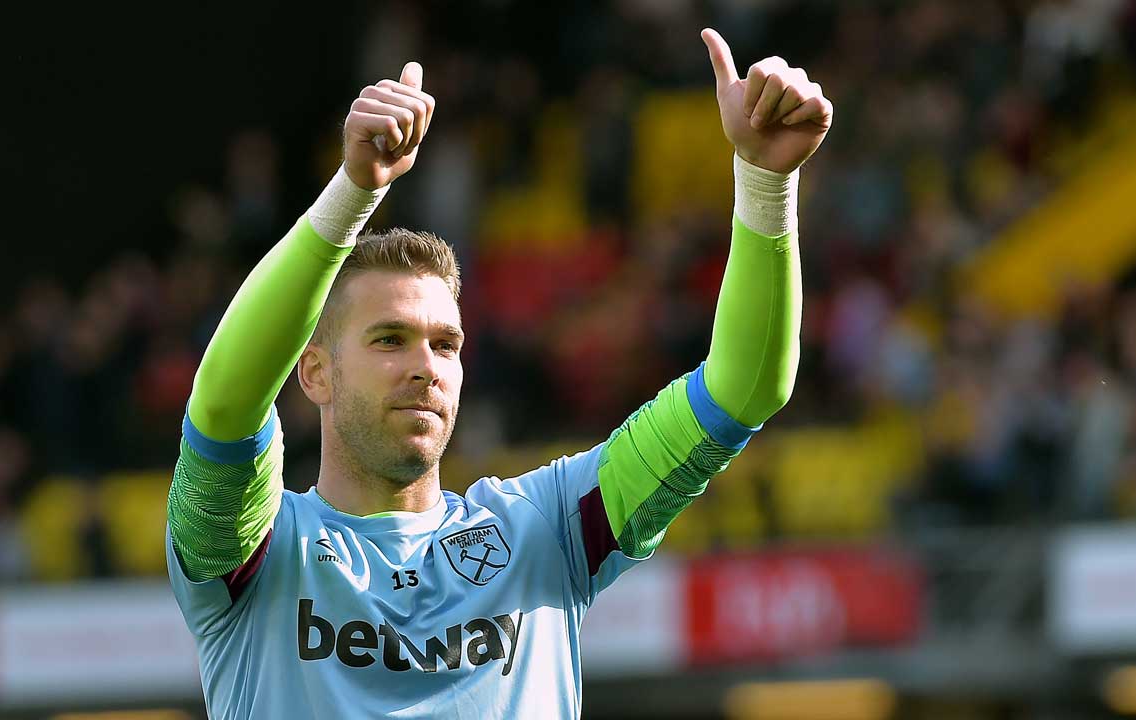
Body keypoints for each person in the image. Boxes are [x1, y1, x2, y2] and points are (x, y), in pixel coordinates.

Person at [165, 28, 832, 720]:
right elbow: (222, 404)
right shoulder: (257, 555)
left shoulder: (548, 532)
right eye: (390, 340)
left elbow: (742, 392)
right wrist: (352, 194)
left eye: (445, 344)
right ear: (315, 375)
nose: (425, 367)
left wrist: (765, 182)